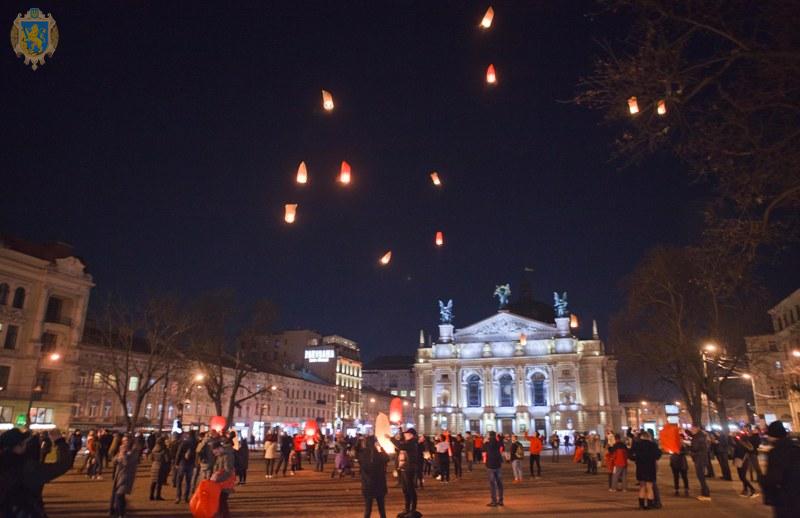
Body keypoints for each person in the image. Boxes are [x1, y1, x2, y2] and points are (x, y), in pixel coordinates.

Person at [0, 427, 72, 517]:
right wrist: (60, 442)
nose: (26, 445)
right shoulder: (27, 467)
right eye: (24, 443)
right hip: (26, 511)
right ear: (17, 446)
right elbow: (62, 465)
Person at [762, 421, 800, 518]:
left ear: (773, 435)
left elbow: (773, 478)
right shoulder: (796, 448)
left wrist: (763, 482)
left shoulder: (775, 452)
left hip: (783, 497)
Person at [389, 427, 419, 518]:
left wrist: (391, 438)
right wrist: (400, 428)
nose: (405, 435)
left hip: (409, 468)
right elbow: (401, 443)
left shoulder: (412, 443)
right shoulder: (408, 442)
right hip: (403, 468)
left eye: (406, 434)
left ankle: (412, 510)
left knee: (410, 489)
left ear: (411, 435)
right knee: (405, 490)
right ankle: (407, 509)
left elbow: (401, 446)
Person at [110, 435, 142, 518]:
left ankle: (120, 514)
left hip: (127, 476)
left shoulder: (134, 451)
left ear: (130, 441)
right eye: (123, 441)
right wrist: (119, 455)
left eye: (126, 440)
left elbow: (127, 463)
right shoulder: (122, 450)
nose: (124, 442)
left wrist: (123, 455)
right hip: (119, 475)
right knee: (121, 495)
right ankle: (122, 512)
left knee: (119, 495)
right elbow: (113, 461)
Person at [359, 435, 389, 518]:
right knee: (381, 508)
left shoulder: (363, 454)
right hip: (379, 483)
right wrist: (381, 449)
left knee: (368, 509)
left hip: (368, 484)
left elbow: (360, 460)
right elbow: (387, 458)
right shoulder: (379, 454)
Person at [630, 431, 661, 510]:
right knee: (649, 487)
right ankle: (650, 505)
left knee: (642, 487)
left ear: (642, 437)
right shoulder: (653, 445)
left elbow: (630, 455)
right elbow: (658, 455)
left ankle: (641, 505)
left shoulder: (637, 445)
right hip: (650, 468)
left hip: (640, 468)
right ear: (648, 437)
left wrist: (636, 459)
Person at [210, 439, 236, 518]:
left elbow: (228, 472)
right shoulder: (221, 455)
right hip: (221, 484)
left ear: (219, 448)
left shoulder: (227, 456)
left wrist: (216, 479)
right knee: (221, 503)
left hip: (225, 483)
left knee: (222, 502)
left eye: (215, 452)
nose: (215, 454)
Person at [689, 424, 711, 501]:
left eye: (692, 429)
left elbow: (695, 447)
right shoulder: (701, 436)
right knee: (701, 476)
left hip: (700, 458)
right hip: (701, 457)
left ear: (696, 428)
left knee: (701, 476)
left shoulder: (698, 437)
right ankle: (704, 493)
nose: (691, 430)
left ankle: (706, 494)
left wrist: (689, 446)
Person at [173, 431, 197, 503]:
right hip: (191, 463)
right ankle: (186, 497)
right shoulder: (196, 443)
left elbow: (179, 453)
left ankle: (178, 497)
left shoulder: (184, 442)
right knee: (188, 481)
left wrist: (176, 463)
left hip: (183, 463)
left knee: (179, 480)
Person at [732, 433, 758, 498]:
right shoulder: (747, 445)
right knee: (742, 476)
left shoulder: (740, 445)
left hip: (740, 461)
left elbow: (736, 452)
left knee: (742, 477)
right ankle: (745, 490)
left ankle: (752, 489)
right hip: (744, 461)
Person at [483, 431, 504, 507]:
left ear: (489, 436)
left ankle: (494, 501)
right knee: (499, 483)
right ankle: (501, 500)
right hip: (498, 465)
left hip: (490, 465)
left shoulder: (487, 443)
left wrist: (485, 442)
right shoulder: (498, 442)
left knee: (492, 484)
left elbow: (483, 450)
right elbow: (501, 446)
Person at [149, 435, 171, 501]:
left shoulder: (154, 449)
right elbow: (167, 459)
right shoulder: (164, 450)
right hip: (161, 466)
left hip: (154, 465)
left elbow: (150, 458)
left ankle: (151, 495)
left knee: (153, 481)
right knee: (159, 482)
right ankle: (158, 496)